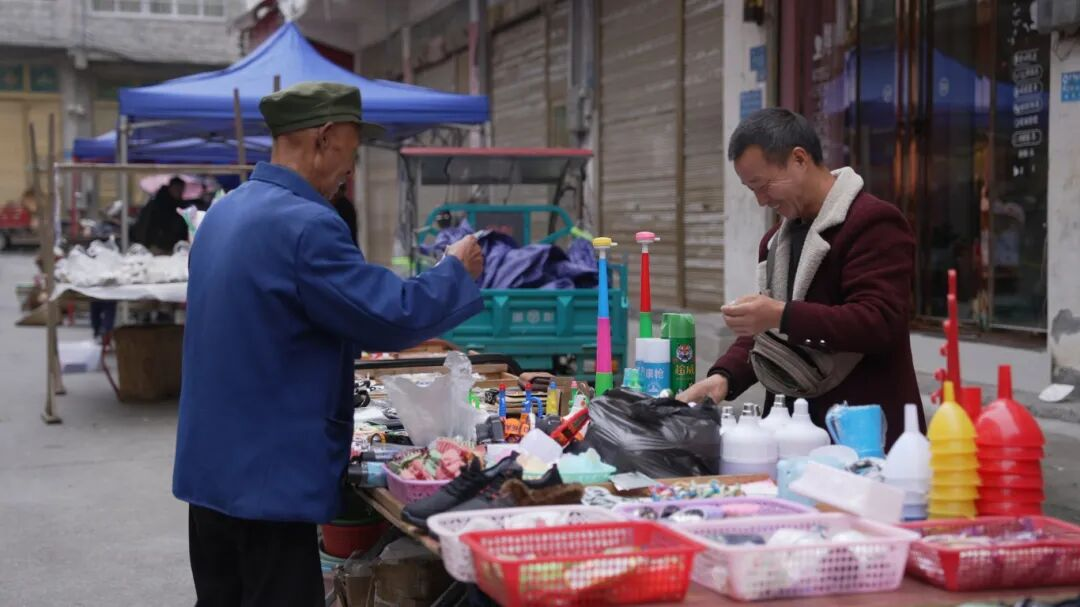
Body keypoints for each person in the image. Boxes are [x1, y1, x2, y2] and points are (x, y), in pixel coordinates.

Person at [172, 82, 485, 607]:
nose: (350, 172)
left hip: (211, 476)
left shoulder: (225, 213)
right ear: (324, 138)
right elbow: (388, 315)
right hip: (266, 487)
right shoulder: (305, 223)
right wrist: (455, 272)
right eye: (351, 153)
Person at [677, 108, 923, 447]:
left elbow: (880, 321)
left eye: (764, 186)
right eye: (752, 190)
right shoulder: (776, 242)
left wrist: (781, 314)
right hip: (792, 429)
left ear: (799, 159)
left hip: (865, 430)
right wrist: (722, 378)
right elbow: (767, 334)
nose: (762, 201)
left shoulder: (873, 222)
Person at [133, 176, 189, 254]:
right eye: (177, 188)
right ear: (171, 188)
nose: (179, 191)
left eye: (181, 189)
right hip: (156, 246)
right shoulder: (158, 204)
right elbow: (146, 224)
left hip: (173, 247)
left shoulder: (180, 206)